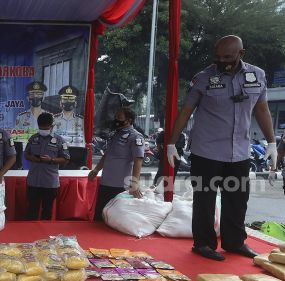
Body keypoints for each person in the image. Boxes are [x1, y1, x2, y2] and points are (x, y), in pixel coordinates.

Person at [166, 35, 278, 261]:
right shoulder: (204, 78)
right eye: (217, 57)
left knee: (238, 199)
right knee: (205, 199)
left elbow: (263, 110)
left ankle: (235, 242)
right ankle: (203, 244)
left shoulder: (257, 76)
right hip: (206, 151)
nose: (222, 61)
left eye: (227, 57)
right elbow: (186, 111)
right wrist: (170, 143)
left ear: (241, 54)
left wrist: (272, 143)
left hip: (240, 151)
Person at [89, 107, 145, 221]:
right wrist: (96, 170)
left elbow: (138, 160)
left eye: (119, 117)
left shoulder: (135, 137)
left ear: (128, 120)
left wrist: (134, 182)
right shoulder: (115, 134)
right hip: (106, 182)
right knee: (99, 215)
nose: (116, 120)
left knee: (115, 219)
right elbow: (107, 155)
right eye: (116, 117)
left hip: (121, 185)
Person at [25, 113, 70, 220]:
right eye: (41, 128)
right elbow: (26, 154)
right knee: (32, 211)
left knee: (47, 212)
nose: (43, 130)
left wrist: (51, 160)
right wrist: (34, 158)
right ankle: (31, 235)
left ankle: (45, 234)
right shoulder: (33, 139)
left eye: (46, 128)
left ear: (52, 126)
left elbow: (66, 159)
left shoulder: (60, 140)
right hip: (33, 181)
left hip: (50, 183)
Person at [53, 85, 87, 169]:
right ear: (60, 102)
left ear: (75, 103)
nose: (68, 101)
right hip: (58, 152)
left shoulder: (81, 120)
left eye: (71, 99)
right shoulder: (54, 119)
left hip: (76, 152)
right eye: (65, 99)